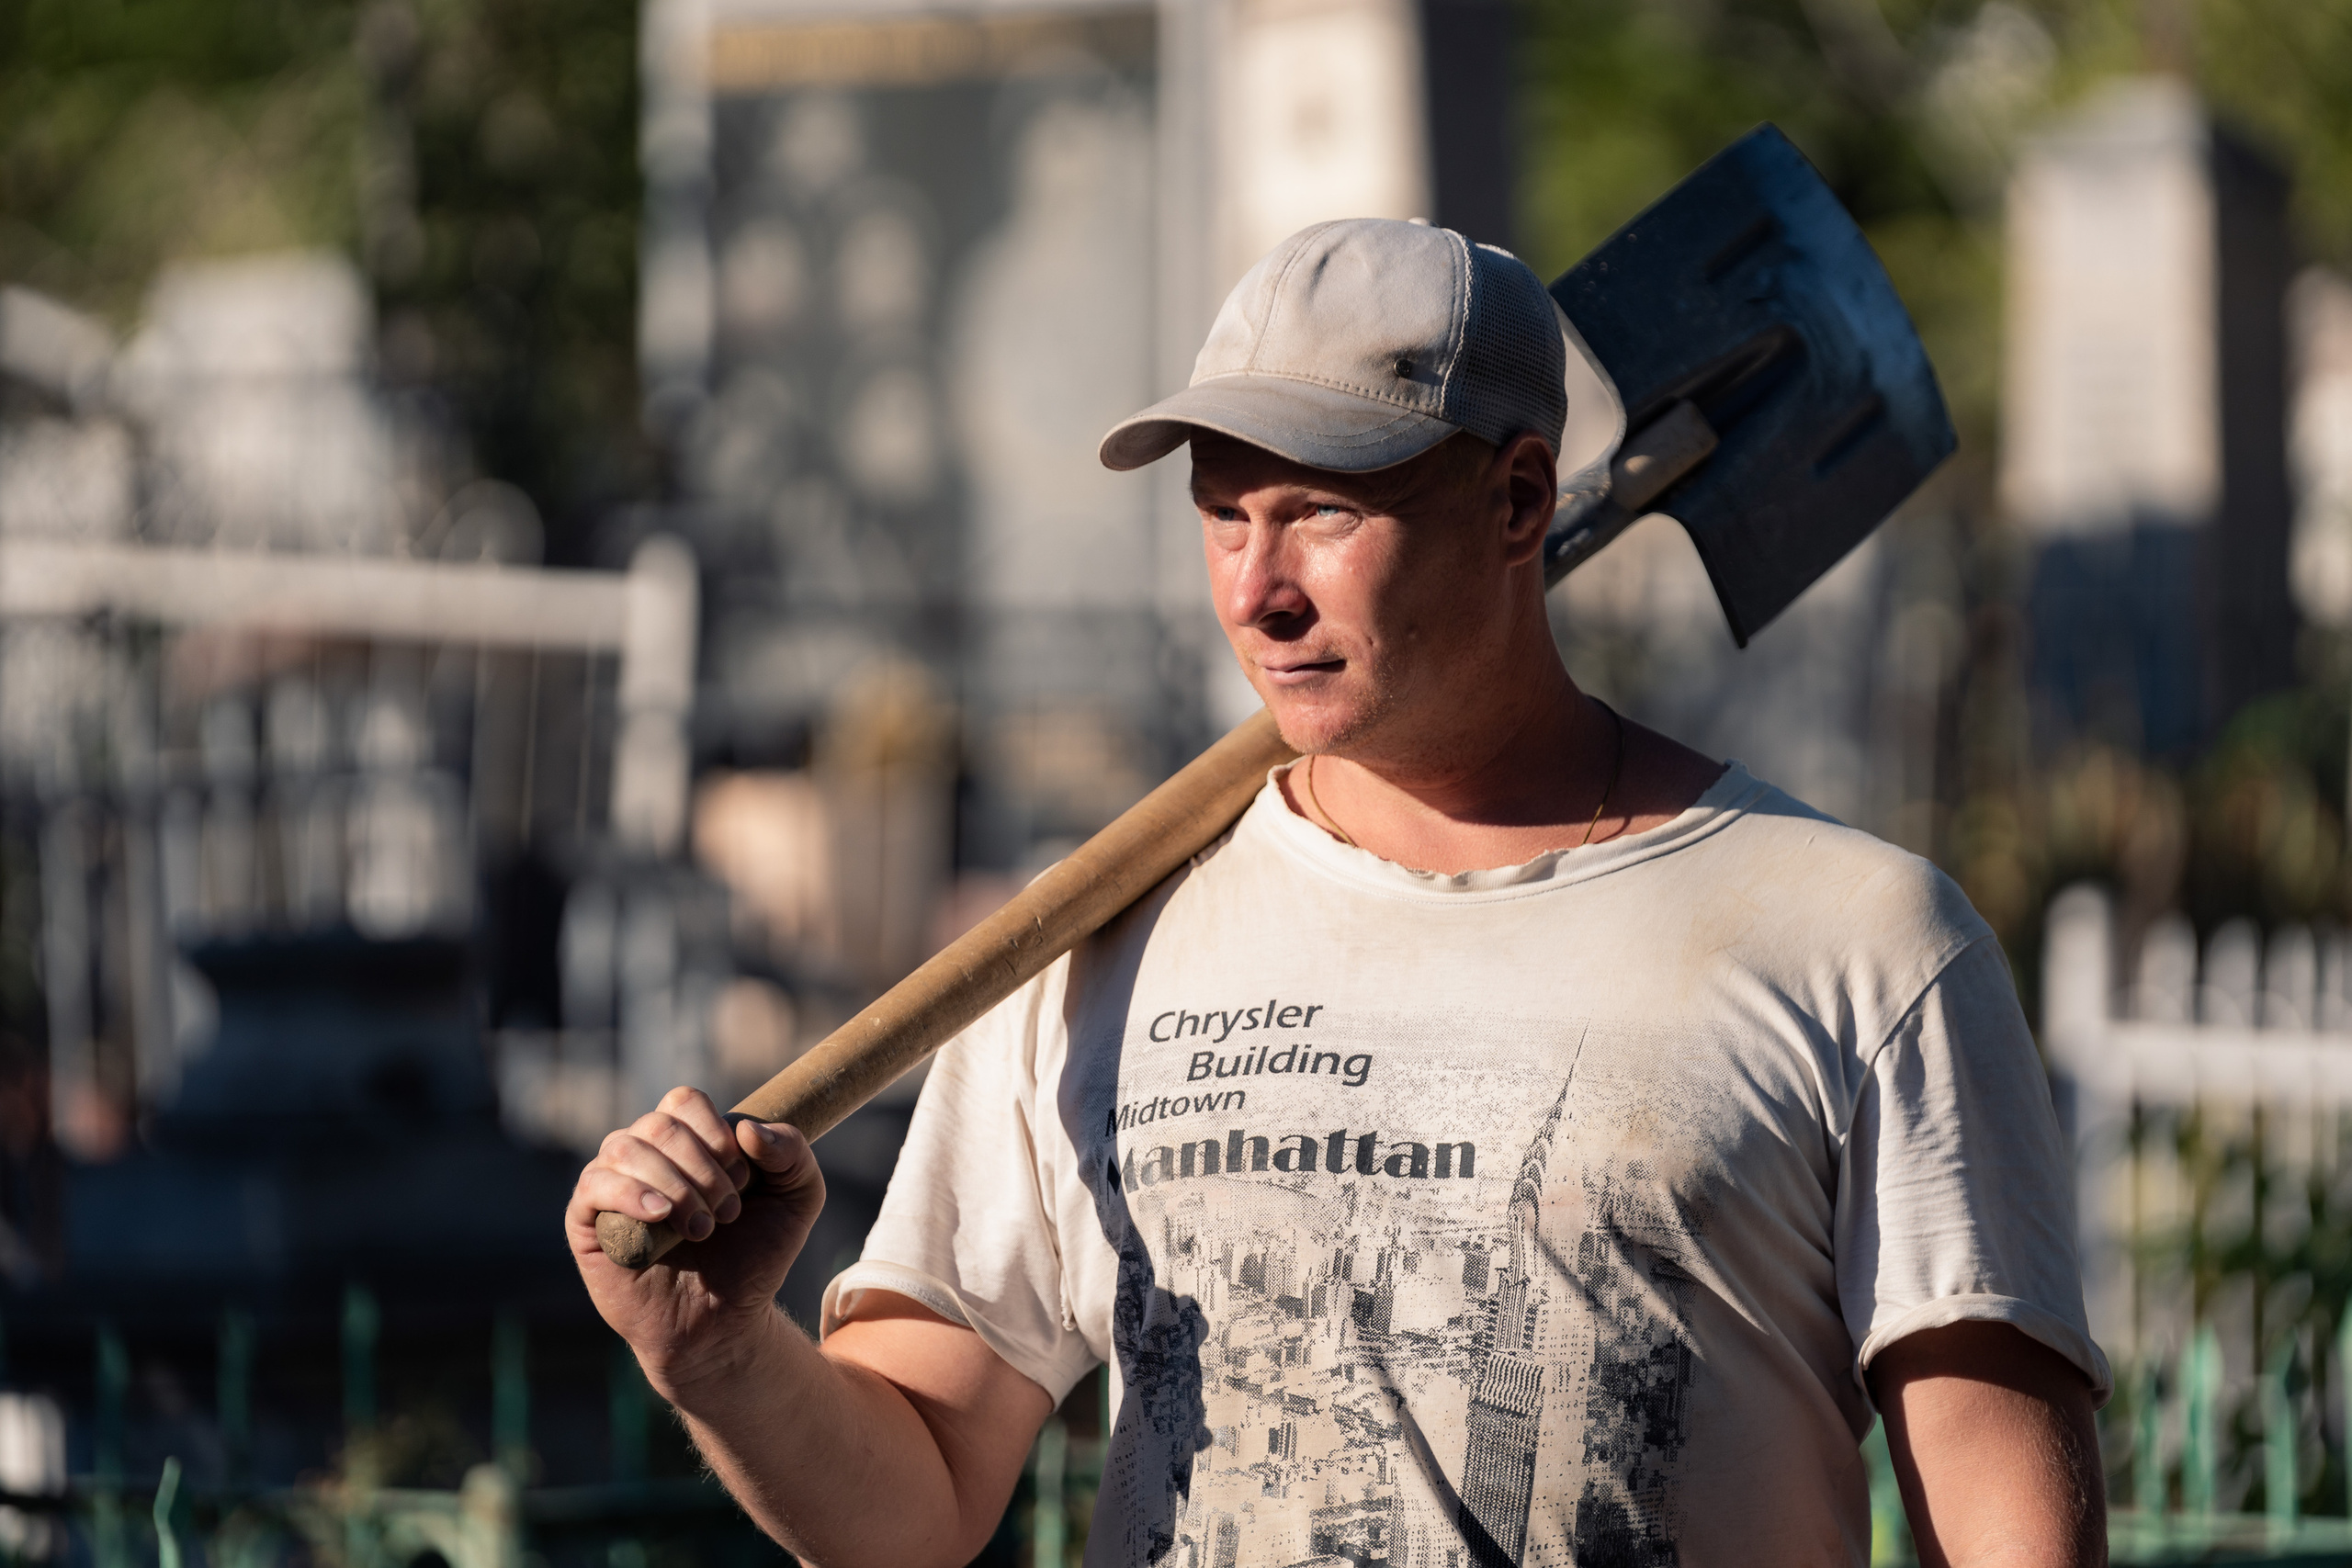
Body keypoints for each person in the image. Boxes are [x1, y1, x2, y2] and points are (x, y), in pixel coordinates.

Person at [569, 219, 2109, 1568]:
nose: (1257, 587)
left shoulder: (1852, 943)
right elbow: (911, 1510)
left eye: (1321, 512)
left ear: (1518, 505)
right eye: (1225, 514)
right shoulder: (1082, 946)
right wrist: (714, 1355)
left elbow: (2008, 1529)